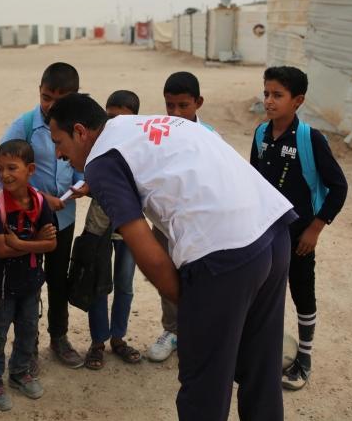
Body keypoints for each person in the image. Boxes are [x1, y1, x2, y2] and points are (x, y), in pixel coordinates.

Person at [48, 94, 296, 421]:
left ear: (80, 132)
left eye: (59, 141)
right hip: (273, 230)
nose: (58, 153)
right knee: (261, 370)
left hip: (224, 251)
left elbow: (145, 250)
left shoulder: (101, 161)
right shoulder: (134, 127)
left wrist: (194, 306)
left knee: (204, 386)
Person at [250, 66, 348, 391]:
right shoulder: (261, 135)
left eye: (277, 95)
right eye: (266, 93)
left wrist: (315, 229)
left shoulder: (310, 139)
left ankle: (303, 358)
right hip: (267, 233)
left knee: (302, 293)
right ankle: (265, 353)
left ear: (298, 100)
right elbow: (253, 181)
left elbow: (339, 187)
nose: (269, 101)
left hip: (299, 236)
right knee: (265, 293)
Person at [0, 62, 84, 370]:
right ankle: (28, 344)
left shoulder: (78, 127)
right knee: (29, 282)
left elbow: (83, 165)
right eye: (46, 97)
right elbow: (5, 173)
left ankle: (59, 337)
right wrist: (40, 199)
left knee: (58, 279)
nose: (51, 105)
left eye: (60, 100)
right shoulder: (24, 126)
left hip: (64, 220)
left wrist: (79, 185)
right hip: (28, 222)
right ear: (39, 91)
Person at [0, 140, 58, 411]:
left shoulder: (39, 201)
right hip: (2, 285)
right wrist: (35, 241)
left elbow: (52, 244)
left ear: (30, 169)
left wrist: (21, 243)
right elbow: (0, 250)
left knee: (28, 330)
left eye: (12, 167)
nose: (5, 174)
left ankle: (20, 372)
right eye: (0, 168)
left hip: (32, 282)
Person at [147, 71, 216, 363]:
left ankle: (200, 333)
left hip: (198, 225)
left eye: (183, 106)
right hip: (165, 221)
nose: (175, 113)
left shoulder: (210, 138)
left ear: (198, 102)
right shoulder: (157, 134)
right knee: (166, 276)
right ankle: (172, 330)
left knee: (199, 279)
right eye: (169, 106)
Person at [83, 90, 142, 370]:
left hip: (130, 226)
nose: (115, 123)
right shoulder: (98, 143)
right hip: (99, 223)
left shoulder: (143, 146)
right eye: (110, 117)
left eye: (122, 118)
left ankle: (118, 338)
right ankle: (97, 341)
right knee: (98, 284)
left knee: (125, 284)